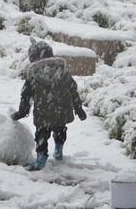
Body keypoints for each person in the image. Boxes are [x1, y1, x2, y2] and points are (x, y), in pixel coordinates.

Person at [11, 37, 87, 170]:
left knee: (41, 136)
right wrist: (78, 109)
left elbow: (25, 97)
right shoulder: (62, 72)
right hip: (61, 112)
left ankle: (41, 160)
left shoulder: (33, 76)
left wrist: (21, 113)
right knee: (60, 131)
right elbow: (73, 91)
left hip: (43, 115)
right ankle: (58, 152)